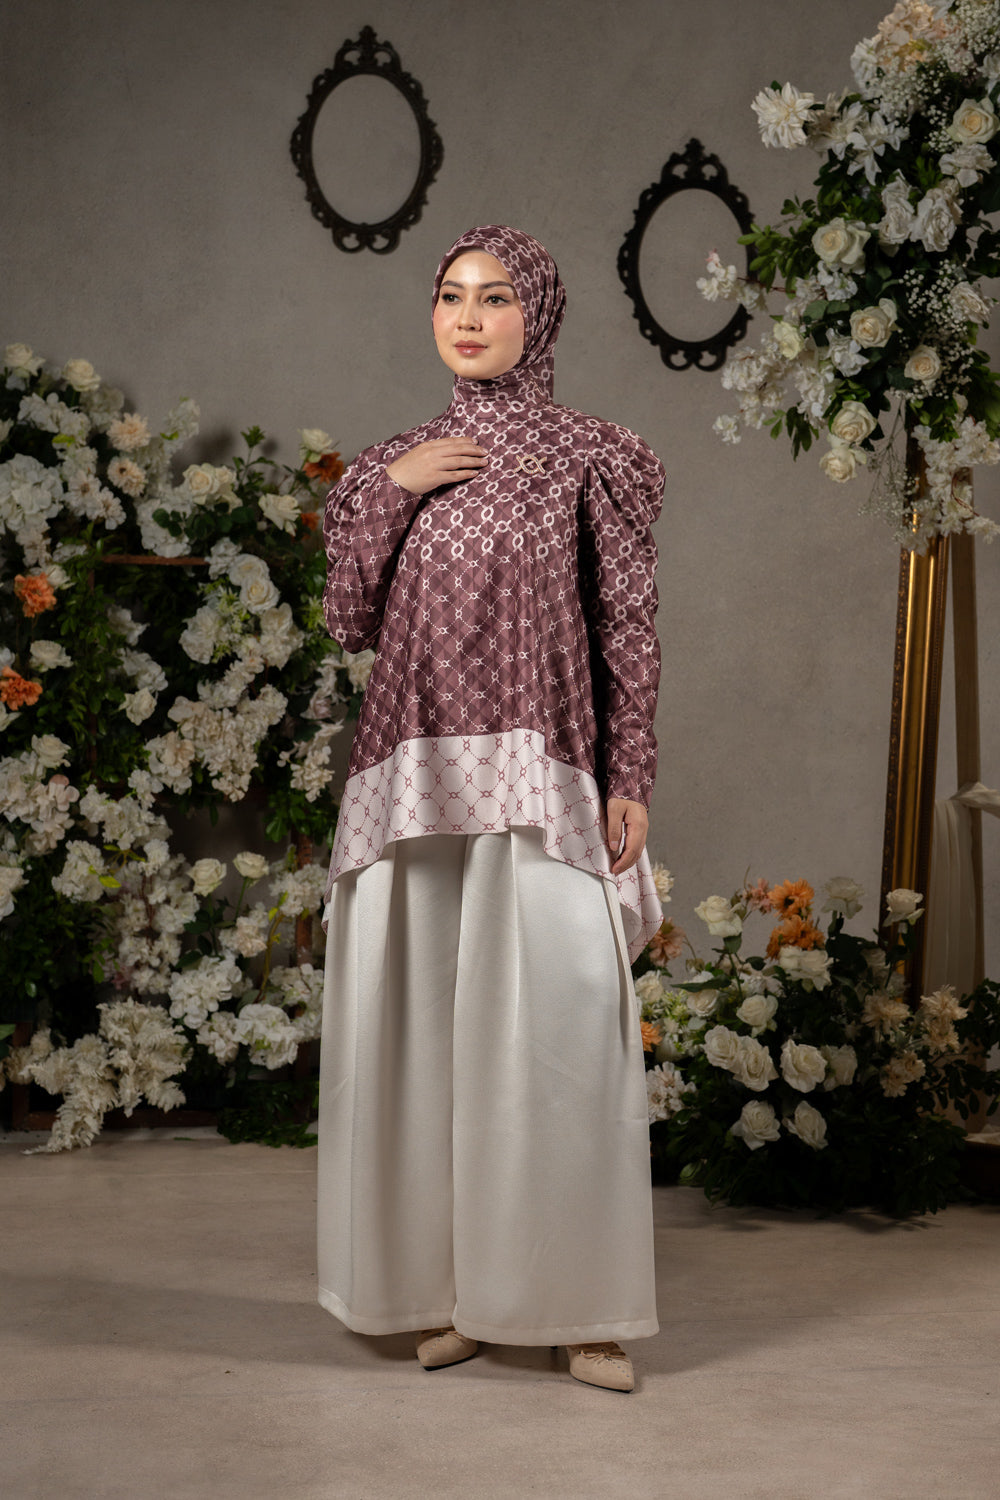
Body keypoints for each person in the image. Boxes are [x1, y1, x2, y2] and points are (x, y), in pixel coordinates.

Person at [316, 225, 665, 1393]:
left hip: (542, 775)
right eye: (450, 295)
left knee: (559, 1041)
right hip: (412, 780)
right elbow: (348, 620)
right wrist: (391, 492)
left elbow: (626, 624)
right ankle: (452, 1294)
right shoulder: (396, 463)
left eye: (496, 297)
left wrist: (630, 770)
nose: (467, 317)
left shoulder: (588, 458)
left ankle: (580, 1308)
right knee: (428, 1042)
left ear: (541, 315)